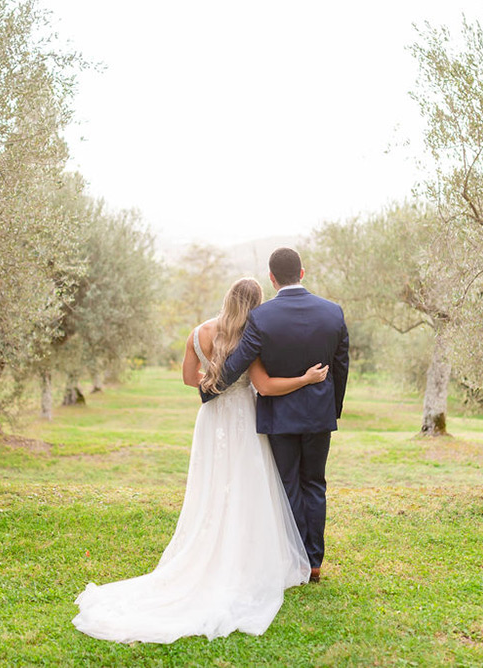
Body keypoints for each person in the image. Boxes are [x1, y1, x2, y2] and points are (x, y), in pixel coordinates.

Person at [73, 277, 328, 644]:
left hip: (211, 422)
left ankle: (210, 548)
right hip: (243, 419)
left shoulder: (199, 332)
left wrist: (210, 377)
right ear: (256, 305)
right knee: (247, 485)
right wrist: (305, 378)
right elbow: (267, 386)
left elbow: (187, 379)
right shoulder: (249, 339)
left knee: (213, 486)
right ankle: (246, 557)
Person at [203, 248, 349, 583]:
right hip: (318, 416)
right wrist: (332, 408)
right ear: (302, 272)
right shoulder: (333, 313)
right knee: (314, 484)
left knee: (288, 486)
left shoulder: (262, 317)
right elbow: (341, 369)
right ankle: (313, 562)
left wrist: (210, 389)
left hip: (280, 416)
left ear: (272, 278)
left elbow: (239, 360)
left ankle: (295, 561)